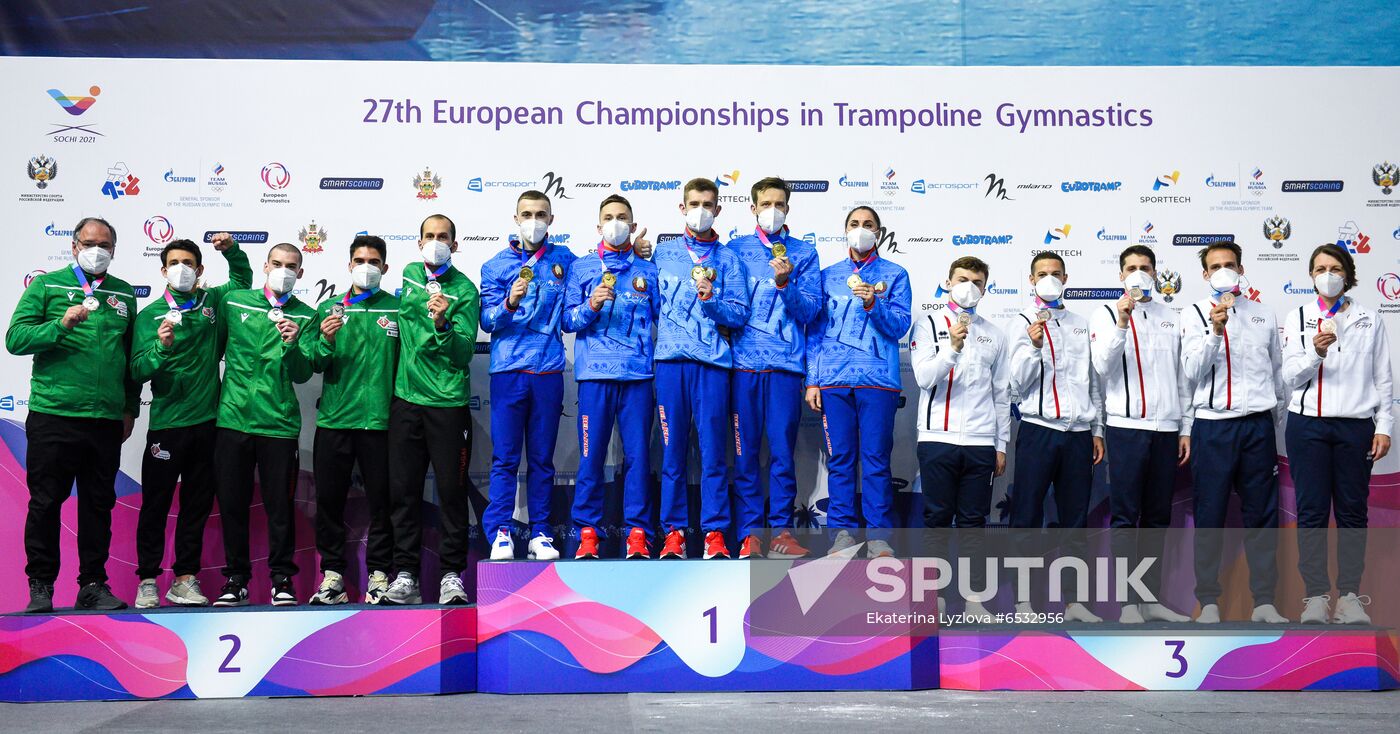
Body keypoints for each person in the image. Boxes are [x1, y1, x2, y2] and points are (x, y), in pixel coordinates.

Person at [7, 217, 139, 612]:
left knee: (98, 505)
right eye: (89, 243)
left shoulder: (124, 293)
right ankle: (41, 586)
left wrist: (129, 407)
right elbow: (16, 339)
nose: (97, 250)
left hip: (104, 420)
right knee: (46, 503)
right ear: (74, 246)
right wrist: (60, 324)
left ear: (113, 250)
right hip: (55, 414)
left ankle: (93, 585)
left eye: (105, 245)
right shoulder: (46, 286)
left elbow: (129, 359)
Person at [128, 233, 251, 608]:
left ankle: (184, 578)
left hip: (208, 423)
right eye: (174, 264)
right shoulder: (149, 316)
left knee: (196, 507)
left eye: (188, 263)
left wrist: (232, 251)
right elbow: (137, 371)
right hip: (166, 425)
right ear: (163, 270)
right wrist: (160, 348)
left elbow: (242, 281)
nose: (181, 269)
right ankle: (147, 580)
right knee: (155, 505)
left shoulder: (213, 302)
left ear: (199, 270)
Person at [1282, 243, 1392, 624]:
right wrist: (1315, 352)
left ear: (1347, 274)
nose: (1327, 275)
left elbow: (1383, 377)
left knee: (1352, 513)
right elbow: (1289, 377)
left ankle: (1348, 597)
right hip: (1307, 426)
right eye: (1320, 269)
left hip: (1355, 426)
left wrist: (1384, 426)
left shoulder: (1369, 318)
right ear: (1311, 276)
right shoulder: (1298, 316)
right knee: (1311, 512)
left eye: (1335, 268)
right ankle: (1315, 596)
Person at [1181, 240, 1288, 624]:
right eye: (1216, 266)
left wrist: (1270, 418)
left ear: (1241, 269)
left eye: (1230, 264)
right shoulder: (1193, 313)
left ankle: (1264, 603)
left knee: (1262, 516)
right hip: (1212, 427)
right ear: (1205, 274)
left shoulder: (1263, 314)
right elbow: (1191, 372)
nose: (1224, 271)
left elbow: (1277, 373)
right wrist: (1215, 330)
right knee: (1210, 515)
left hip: (1257, 427)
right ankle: (1209, 602)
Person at [1088, 245, 1192, 623]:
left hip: (1166, 430)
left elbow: (1182, 378)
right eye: (1131, 268)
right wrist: (1122, 321)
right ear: (1120, 275)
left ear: (1155, 273)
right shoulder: (1104, 313)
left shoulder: (1171, 317)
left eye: (1145, 267)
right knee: (1125, 518)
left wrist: (1185, 427)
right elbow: (1103, 366)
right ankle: (1127, 604)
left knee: (1157, 519)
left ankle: (1149, 599)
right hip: (1126, 428)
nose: (1138, 273)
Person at [804, 206, 911, 558]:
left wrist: (873, 304)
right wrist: (813, 380)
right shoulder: (827, 276)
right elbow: (815, 332)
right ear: (845, 230)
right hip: (834, 382)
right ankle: (842, 534)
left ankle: (879, 537)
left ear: (878, 232)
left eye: (868, 225)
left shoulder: (895, 274)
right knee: (841, 460)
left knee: (876, 460)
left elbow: (899, 326)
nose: (860, 230)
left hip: (878, 381)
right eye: (854, 224)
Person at [652, 177, 751, 559]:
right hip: (670, 364)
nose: (700, 211)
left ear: (718, 209)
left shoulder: (729, 260)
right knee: (672, 452)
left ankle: (715, 533)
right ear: (682, 208)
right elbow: (651, 307)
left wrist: (712, 303)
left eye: (708, 205)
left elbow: (739, 314)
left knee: (713, 454)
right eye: (694, 204)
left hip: (712, 365)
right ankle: (673, 532)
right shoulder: (662, 255)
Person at [212, 243, 315, 607]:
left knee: (280, 508)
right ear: (266, 265)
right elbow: (214, 350)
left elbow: (303, 374)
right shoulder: (235, 302)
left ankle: (282, 579)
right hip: (233, 420)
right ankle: (236, 579)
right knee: (232, 505)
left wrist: (293, 343)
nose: (283, 271)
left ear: (299, 273)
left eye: (291, 266)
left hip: (279, 424)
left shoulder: (307, 315)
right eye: (277, 263)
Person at [385, 214, 480, 605]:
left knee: (451, 493)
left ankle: (451, 576)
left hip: (447, 404)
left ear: (454, 245)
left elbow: (463, 353)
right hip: (407, 400)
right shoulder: (409, 275)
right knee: (403, 492)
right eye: (429, 236)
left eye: (443, 237)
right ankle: (405, 574)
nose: (435, 242)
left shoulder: (465, 289)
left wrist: (443, 323)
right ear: (419, 241)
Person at [1007, 251, 1105, 623]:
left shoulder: (1081, 323)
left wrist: (1097, 430)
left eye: (1056, 273)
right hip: (1038, 430)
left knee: (1075, 521)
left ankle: (1075, 603)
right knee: (1026, 518)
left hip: (1078, 435)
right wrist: (1033, 347)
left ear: (1065, 278)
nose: (1049, 278)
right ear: (1031, 280)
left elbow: (1091, 382)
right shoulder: (1021, 321)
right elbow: (1016, 384)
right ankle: (1023, 603)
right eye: (1042, 273)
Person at [728, 177, 822, 559]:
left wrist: (786, 285)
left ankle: (782, 531)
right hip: (742, 368)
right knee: (745, 455)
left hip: (785, 367)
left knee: (783, 454)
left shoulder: (804, 253)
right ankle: (750, 534)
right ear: (753, 208)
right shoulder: (734, 250)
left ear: (788, 208)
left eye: (779, 204)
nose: (773, 210)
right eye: (766, 203)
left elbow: (810, 311)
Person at [480, 191, 577, 561]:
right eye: (527, 214)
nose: (533, 221)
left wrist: (637, 250)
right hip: (508, 372)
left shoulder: (565, 260)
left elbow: (593, 280)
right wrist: (509, 302)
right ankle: (501, 532)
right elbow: (487, 321)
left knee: (541, 460)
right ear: (516, 218)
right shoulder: (495, 266)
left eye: (540, 214)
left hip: (548, 371)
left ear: (551, 219)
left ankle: (540, 532)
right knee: (505, 458)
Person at [562, 194, 660, 559]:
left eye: (622, 217)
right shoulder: (582, 268)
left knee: (638, 459)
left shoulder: (649, 270)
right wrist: (591, 305)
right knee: (591, 458)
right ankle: (587, 532)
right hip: (594, 377)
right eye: (609, 217)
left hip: (637, 377)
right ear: (598, 225)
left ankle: (638, 533)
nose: (615, 223)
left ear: (632, 226)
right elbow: (566, 321)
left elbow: (666, 320)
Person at [911, 256, 1007, 618]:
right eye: (962, 279)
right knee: (936, 521)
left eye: (976, 282)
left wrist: (1000, 445)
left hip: (981, 443)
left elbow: (1001, 394)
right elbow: (924, 378)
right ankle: (933, 600)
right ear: (948, 282)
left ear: (985, 288)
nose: (969, 287)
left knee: (973, 526)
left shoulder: (994, 334)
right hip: (937, 438)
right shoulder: (927, 325)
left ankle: (974, 601)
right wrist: (951, 348)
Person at [306, 235, 400, 604]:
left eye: (373, 261)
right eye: (359, 260)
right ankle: (332, 577)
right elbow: (313, 362)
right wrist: (325, 341)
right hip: (335, 421)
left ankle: (379, 574)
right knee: (329, 503)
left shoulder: (397, 309)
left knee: (383, 504)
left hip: (381, 423)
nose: (366, 267)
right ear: (348, 265)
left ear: (385, 268)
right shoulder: (329, 309)